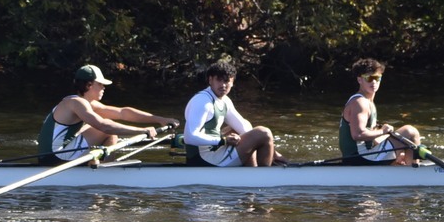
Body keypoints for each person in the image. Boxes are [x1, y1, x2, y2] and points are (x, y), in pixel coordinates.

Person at [38, 65, 175, 162]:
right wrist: (142, 131)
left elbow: (123, 113)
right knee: (109, 131)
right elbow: (104, 126)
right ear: (88, 85)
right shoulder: (76, 103)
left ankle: (97, 160)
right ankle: (107, 168)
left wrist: (159, 119)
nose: (104, 87)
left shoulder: (84, 103)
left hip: (50, 155)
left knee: (101, 121)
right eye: (100, 84)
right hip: (56, 156)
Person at [184, 59, 283, 167]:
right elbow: (189, 137)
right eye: (219, 80)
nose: (223, 85)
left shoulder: (224, 100)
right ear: (210, 80)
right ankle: (263, 178)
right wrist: (224, 141)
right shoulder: (202, 101)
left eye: (227, 81)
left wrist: (274, 152)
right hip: (203, 160)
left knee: (243, 129)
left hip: (215, 152)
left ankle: (253, 172)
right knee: (264, 133)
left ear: (232, 83)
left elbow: (245, 129)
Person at [339, 58, 422, 166]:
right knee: (410, 131)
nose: (374, 82)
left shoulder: (366, 101)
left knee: (403, 142)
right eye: (369, 78)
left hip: (361, 156)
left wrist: (399, 151)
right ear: (360, 80)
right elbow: (358, 135)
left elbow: (373, 139)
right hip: (360, 159)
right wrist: (383, 131)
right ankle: (414, 172)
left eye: (377, 78)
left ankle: (405, 162)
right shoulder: (360, 103)